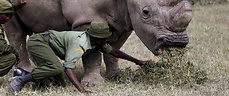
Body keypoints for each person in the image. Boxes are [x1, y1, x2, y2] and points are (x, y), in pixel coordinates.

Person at [9, 20, 148, 93]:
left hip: (48, 43)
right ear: (96, 38)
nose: (107, 40)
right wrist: (82, 90)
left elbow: (114, 51)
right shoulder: (80, 44)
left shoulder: (96, 42)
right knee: (56, 68)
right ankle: (19, 81)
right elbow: (68, 68)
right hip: (39, 42)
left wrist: (138, 61)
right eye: (104, 38)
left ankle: (20, 73)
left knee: (58, 85)